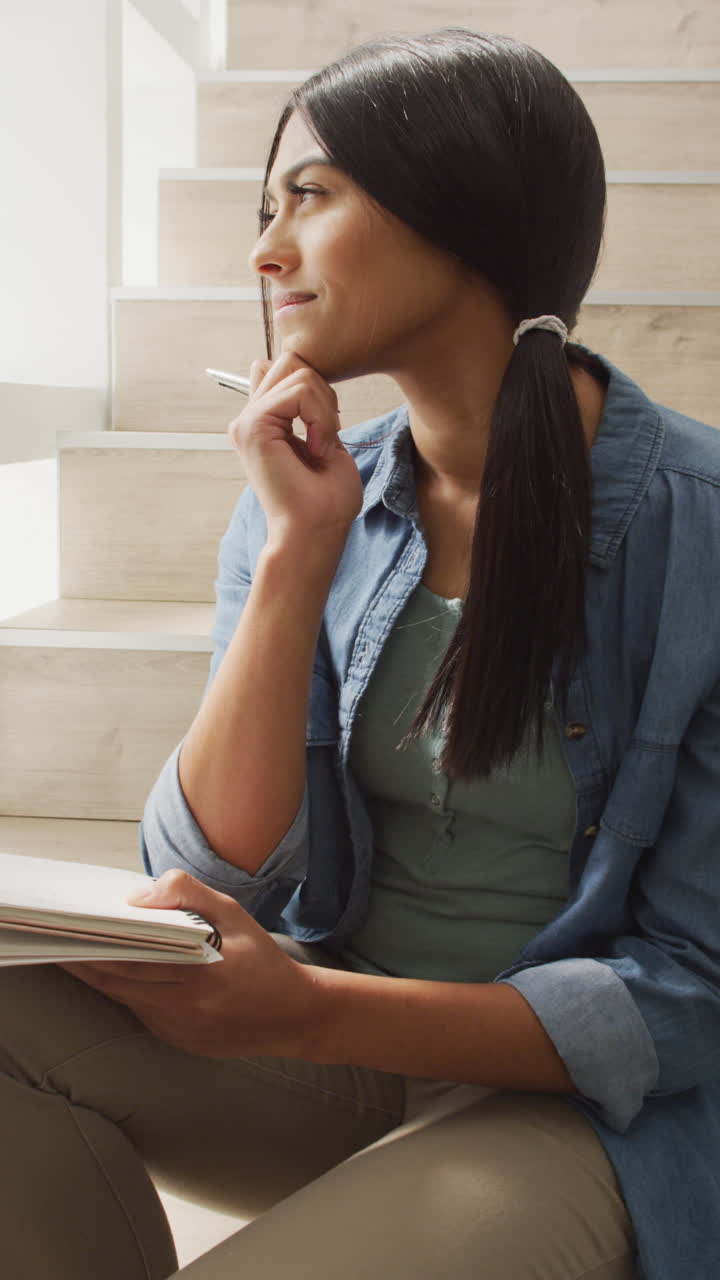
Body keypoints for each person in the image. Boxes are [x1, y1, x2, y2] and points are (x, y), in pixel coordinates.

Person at [1, 27, 719, 1280]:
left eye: (312, 196)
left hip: (593, 1116)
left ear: (464, 209)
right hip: (335, 1059)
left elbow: (694, 996)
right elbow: (211, 863)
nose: (264, 250)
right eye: (262, 206)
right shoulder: (314, 496)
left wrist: (311, 1006)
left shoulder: (700, 531)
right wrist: (295, 555)